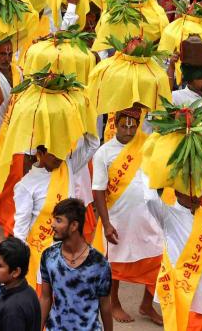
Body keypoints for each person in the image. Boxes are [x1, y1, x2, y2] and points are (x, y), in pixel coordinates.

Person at [91, 106, 164, 324]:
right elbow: (98, 190)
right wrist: (106, 223)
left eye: (133, 127)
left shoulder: (148, 143)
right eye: (124, 126)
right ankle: (114, 303)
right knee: (114, 266)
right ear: (115, 125)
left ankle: (146, 305)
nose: (129, 132)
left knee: (159, 259)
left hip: (148, 217)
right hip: (118, 219)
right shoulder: (104, 152)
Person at [38, 198, 112, 330]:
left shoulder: (100, 264)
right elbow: (45, 298)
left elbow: (105, 306)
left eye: (59, 220)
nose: (53, 225)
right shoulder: (48, 257)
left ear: (74, 226)